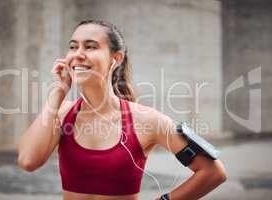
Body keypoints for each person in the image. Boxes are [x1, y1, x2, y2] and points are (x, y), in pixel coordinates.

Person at [17, 19, 227, 200]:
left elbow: (212, 172)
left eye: (90, 46)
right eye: (73, 47)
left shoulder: (146, 120)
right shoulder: (61, 113)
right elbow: (28, 162)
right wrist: (58, 93)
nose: (78, 54)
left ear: (115, 59)